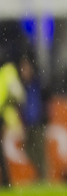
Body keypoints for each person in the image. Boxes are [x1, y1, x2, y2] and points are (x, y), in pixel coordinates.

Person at [0, 51, 26, 188]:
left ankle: (6, 180)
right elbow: (18, 94)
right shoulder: (8, 71)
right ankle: (6, 180)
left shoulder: (7, 71)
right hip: (5, 114)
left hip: (3, 115)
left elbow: (17, 94)